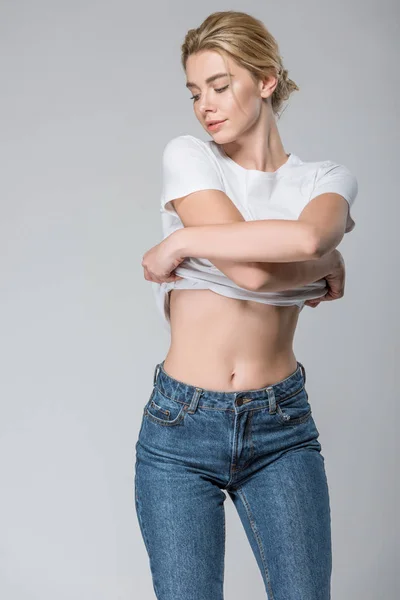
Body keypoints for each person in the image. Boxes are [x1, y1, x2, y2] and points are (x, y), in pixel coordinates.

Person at [135, 10, 358, 600]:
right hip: (180, 427)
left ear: (265, 80)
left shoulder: (326, 178)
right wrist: (324, 268)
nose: (204, 105)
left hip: (281, 426)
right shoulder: (190, 156)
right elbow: (259, 270)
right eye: (193, 91)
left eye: (219, 85)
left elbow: (299, 246)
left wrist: (183, 240)